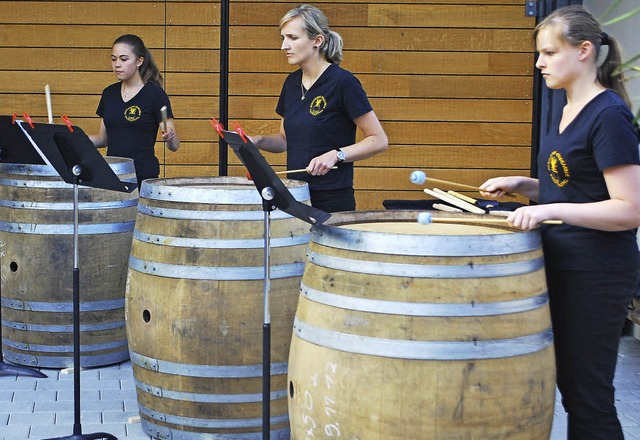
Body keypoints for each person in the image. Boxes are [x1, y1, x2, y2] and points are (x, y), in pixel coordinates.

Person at [479, 6, 640, 439]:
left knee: (588, 397)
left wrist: (549, 210)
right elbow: (573, 189)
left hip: (598, 273)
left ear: (584, 51)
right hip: (561, 264)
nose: (539, 63)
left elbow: (629, 208)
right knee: (572, 391)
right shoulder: (563, 109)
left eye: (549, 52)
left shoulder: (609, 116)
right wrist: (524, 186)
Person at [248, 4, 388, 213]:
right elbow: (285, 139)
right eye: (283, 38)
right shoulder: (291, 83)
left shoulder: (343, 82)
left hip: (332, 199)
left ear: (317, 41)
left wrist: (336, 155)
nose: (284, 46)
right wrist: (257, 141)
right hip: (295, 196)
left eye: (293, 38)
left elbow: (379, 140)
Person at [89, 34, 179, 189]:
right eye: (113, 59)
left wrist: (170, 137)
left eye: (124, 59)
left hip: (142, 178)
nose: (117, 64)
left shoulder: (155, 95)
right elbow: (103, 139)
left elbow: (174, 145)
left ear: (139, 61)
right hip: (112, 176)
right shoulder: (109, 93)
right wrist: (73, 140)